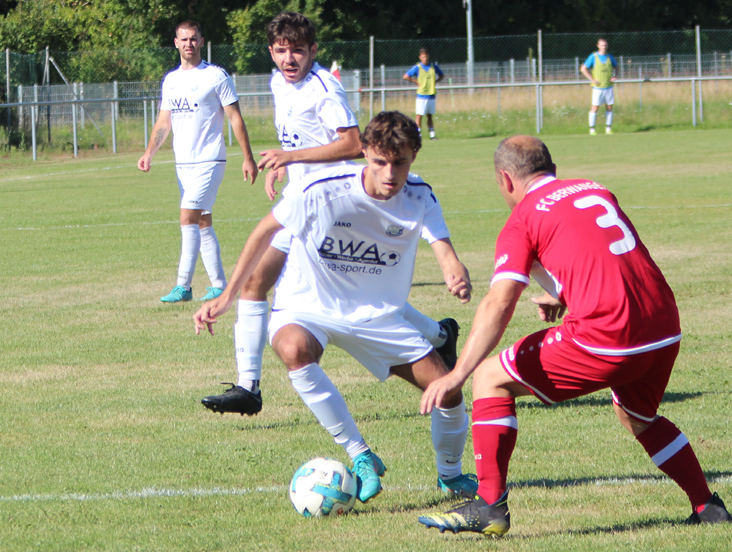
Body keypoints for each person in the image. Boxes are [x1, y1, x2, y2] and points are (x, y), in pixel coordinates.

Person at [417, 136, 732, 536]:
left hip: (608, 334)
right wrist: (562, 292)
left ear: (505, 179)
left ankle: (489, 505)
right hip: (663, 327)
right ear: (551, 168)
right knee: (637, 415)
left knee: (488, 377)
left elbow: (499, 303)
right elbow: (602, 251)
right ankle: (707, 506)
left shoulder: (522, 219)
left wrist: (457, 373)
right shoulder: (593, 188)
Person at [195, 111, 478, 503]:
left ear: (414, 155)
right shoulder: (322, 189)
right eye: (380, 162)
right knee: (294, 349)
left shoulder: (419, 196)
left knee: (448, 392)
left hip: (377, 315)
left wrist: (454, 269)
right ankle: (360, 455)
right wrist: (228, 296)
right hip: (308, 304)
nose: (390, 173)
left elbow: (443, 247)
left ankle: (450, 476)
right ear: (365, 153)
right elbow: (264, 231)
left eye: (400, 162)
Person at [200, 12, 461, 417]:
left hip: (333, 208)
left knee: (356, 296)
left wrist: (292, 157)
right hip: (302, 201)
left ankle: (439, 336)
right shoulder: (278, 82)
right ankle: (248, 386)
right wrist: (286, 166)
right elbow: (301, 139)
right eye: (281, 50)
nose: (289, 58)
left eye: (298, 50)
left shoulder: (325, 89)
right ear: (271, 51)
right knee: (258, 282)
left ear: (313, 51)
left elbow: (354, 144)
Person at [138, 20, 257, 303]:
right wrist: (149, 152)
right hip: (183, 165)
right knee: (202, 221)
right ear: (176, 43)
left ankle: (183, 286)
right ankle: (219, 284)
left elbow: (235, 118)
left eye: (193, 38)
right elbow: (163, 122)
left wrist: (248, 158)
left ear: (201, 41)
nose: (189, 43)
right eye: (184, 39)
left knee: (187, 217)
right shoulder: (171, 80)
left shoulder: (216, 76)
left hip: (210, 160)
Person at [403, 48, 445, 140]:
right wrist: (416, 81)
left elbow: (442, 75)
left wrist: (435, 82)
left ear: (428, 56)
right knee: (419, 115)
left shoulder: (433, 67)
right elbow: (406, 76)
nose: (425, 59)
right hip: (421, 95)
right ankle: (418, 135)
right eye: (423, 57)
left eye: (426, 57)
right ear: (420, 57)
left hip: (431, 95)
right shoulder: (418, 67)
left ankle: (432, 135)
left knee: (430, 116)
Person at [580, 38, 617, 135]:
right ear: (598, 46)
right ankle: (592, 129)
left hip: (608, 86)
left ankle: (608, 128)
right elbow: (583, 69)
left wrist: (615, 75)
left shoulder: (609, 57)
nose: (604, 47)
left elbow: (616, 66)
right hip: (598, 88)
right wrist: (592, 79)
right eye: (602, 45)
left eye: (605, 45)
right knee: (595, 107)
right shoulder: (593, 56)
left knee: (609, 106)